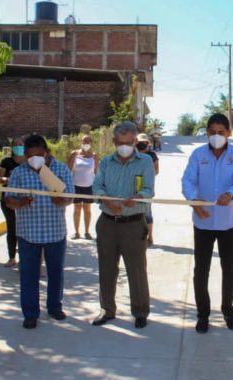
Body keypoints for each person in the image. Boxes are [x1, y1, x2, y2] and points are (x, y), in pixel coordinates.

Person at [181, 113, 233, 334]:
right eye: (212, 132)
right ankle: (203, 314)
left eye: (221, 132)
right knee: (201, 270)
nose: (216, 136)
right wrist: (193, 199)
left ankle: (228, 311)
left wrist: (231, 194)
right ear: (206, 133)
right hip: (203, 222)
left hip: (229, 222)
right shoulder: (197, 155)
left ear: (229, 133)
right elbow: (188, 180)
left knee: (229, 268)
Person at [5, 134, 74, 329]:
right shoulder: (18, 173)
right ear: (24, 155)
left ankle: (54, 307)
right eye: (29, 155)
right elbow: (9, 200)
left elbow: (70, 197)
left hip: (55, 232)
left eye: (39, 155)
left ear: (47, 153)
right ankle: (30, 313)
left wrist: (61, 200)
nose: (34, 158)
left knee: (55, 272)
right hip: (28, 233)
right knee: (28, 274)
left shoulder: (61, 169)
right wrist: (20, 202)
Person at [91, 121, 155, 329]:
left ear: (135, 141)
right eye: (121, 142)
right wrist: (106, 200)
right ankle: (107, 309)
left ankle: (140, 311)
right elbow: (97, 186)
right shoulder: (107, 162)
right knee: (106, 269)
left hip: (134, 223)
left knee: (137, 270)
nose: (125, 146)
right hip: (107, 223)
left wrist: (137, 197)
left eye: (130, 142)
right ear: (114, 141)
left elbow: (148, 189)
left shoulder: (144, 161)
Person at [0, 137, 26, 267]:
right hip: (8, 199)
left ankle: (25, 257)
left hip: (25, 199)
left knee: (24, 229)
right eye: (16, 144)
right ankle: (12, 257)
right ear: (11, 148)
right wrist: (11, 179)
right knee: (12, 227)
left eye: (21, 144)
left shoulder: (28, 162)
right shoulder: (6, 161)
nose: (18, 147)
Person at [67, 135, 98, 240]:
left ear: (91, 143)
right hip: (75, 186)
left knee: (87, 209)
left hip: (89, 186)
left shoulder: (94, 156)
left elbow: (97, 172)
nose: (86, 143)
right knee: (77, 208)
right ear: (81, 142)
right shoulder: (74, 154)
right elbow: (68, 169)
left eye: (88, 141)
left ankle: (87, 232)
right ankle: (76, 232)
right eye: (84, 141)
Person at [136, 133, 159, 246]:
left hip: (147, 187)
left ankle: (150, 237)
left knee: (147, 213)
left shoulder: (152, 155)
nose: (142, 144)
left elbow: (156, 170)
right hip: (132, 187)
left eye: (144, 142)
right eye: (139, 142)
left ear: (147, 143)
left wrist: (145, 176)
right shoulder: (132, 154)